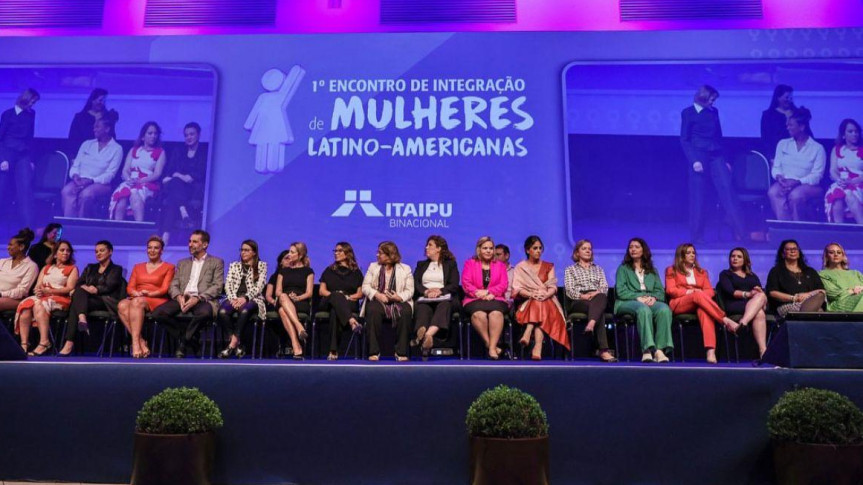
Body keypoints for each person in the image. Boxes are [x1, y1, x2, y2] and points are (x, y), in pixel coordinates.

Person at [680, 84, 745, 242]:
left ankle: (742, 232)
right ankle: (697, 236)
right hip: (698, 156)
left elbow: (719, 137)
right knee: (698, 196)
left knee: (727, 190)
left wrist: (726, 159)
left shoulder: (714, 112)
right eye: (712, 99)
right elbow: (685, 139)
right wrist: (694, 160)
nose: (713, 102)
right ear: (703, 97)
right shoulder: (688, 113)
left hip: (716, 155)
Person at [151, 230, 224, 358]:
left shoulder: (216, 262)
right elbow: (174, 284)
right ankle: (188, 338)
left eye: (195, 242)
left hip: (203, 299)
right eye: (190, 241)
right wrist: (178, 296)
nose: (190, 244)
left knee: (204, 313)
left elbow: (217, 286)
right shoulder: (182, 263)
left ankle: (183, 343)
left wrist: (198, 298)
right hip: (183, 297)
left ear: (205, 245)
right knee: (158, 313)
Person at [665, 243, 740, 364]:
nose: (692, 255)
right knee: (698, 295)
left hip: (700, 303)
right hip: (679, 303)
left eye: (693, 253)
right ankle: (725, 320)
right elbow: (671, 290)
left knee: (704, 310)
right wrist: (691, 291)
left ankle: (710, 351)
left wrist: (699, 294)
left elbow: (710, 291)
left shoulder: (702, 272)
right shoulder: (672, 270)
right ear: (681, 255)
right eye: (688, 253)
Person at [58, 240, 124, 356]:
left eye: (102, 251)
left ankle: (69, 343)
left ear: (110, 252)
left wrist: (95, 289)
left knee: (76, 302)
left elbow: (109, 286)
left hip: (105, 301)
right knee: (78, 294)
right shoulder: (90, 268)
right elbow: (79, 284)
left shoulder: (116, 269)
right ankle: (81, 318)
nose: (98, 253)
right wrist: (88, 289)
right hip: (88, 301)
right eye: (96, 251)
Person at [614, 238, 673, 363]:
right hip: (627, 301)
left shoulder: (652, 270)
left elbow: (660, 291)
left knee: (664, 309)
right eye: (631, 247)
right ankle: (647, 350)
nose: (633, 249)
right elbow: (621, 291)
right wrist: (637, 297)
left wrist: (654, 298)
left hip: (648, 300)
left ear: (643, 250)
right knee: (643, 309)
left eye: (636, 247)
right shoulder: (623, 269)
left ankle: (659, 350)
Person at [512, 236, 570, 361]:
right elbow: (517, 288)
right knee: (538, 302)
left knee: (541, 301)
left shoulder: (549, 266)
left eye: (540, 248)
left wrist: (545, 294)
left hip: (548, 300)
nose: (538, 251)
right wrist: (532, 294)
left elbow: (553, 287)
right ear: (528, 250)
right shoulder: (520, 267)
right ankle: (537, 347)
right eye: (535, 248)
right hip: (526, 303)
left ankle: (528, 331)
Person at [15, 241, 78, 356]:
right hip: (44, 296)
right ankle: (24, 344)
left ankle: (44, 342)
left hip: (61, 299)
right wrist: (38, 291)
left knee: (40, 304)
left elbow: (69, 288)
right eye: (62, 250)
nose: (65, 253)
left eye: (68, 251)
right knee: (26, 304)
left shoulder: (72, 269)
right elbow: (38, 286)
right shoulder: (46, 268)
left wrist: (50, 291)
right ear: (55, 254)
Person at [117, 236, 175, 358]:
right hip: (139, 298)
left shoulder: (169, 267)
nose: (152, 250)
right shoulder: (138, 267)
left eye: (156, 248)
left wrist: (148, 294)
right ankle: (141, 340)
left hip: (157, 299)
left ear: (161, 251)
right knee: (122, 304)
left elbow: (165, 289)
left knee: (136, 302)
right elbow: (130, 287)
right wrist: (135, 293)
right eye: (149, 248)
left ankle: (135, 344)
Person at [768, 107, 826, 221]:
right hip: (785, 182)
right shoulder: (783, 144)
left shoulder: (817, 148)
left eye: (791, 125)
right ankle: (785, 228)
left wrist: (797, 182)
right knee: (773, 192)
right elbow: (777, 167)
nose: (787, 127)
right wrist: (779, 177)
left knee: (796, 195)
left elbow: (817, 176)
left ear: (802, 127)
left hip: (807, 185)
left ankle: (798, 229)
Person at [563, 239, 616, 362]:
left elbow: (604, 287)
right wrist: (583, 296)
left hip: (597, 297)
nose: (588, 251)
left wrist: (596, 293)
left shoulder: (598, 269)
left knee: (601, 298)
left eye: (589, 249)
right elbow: (570, 290)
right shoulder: (570, 269)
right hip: (579, 299)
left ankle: (591, 323)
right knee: (599, 311)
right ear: (577, 252)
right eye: (584, 248)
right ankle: (603, 351)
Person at [361, 241, 413, 361]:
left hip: (398, 300)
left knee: (406, 311)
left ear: (390, 256)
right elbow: (365, 287)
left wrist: (398, 297)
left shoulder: (405, 269)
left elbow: (410, 290)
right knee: (373, 309)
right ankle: (374, 352)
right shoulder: (373, 267)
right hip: (379, 299)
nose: (377, 255)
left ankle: (401, 352)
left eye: (380, 253)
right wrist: (378, 295)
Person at [61, 117, 123, 218]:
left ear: (107, 129)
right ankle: (70, 225)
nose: (94, 129)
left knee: (86, 195)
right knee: (67, 191)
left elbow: (110, 174)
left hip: (100, 183)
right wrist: (75, 176)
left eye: (97, 127)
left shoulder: (116, 149)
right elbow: (76, 165)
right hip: (80, 180)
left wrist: (91, 181)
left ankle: (82, 227)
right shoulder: (87, 144)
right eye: (94, 127)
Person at [412, 235, 460, 359]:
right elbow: (415, 283)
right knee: (422, 307)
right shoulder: (421, 264)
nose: (426, 248)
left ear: (439, 248)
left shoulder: (451, 264)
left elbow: (454, 284)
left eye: (430, 245)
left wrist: (440, 291)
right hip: (425, 297)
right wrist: (426, 292)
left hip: (444, 297)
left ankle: (427, 335)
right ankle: (425, 335)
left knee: (444, 305)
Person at [218, 240, 267, 359]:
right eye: (242, 250)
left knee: (244, 311)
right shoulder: (234, 265)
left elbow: (259, 287)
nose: (243, 252)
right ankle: (236, 343)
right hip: (234, 297)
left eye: (247, 250)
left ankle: (231, 345)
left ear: (254, 252)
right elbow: (228, 284)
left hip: (253, 299)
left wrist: (245, 298)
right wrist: (233, 299)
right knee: (222, 312)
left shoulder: (262, 266)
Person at [160, 122, 208, 244]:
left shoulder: (204, 151)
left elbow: (197, 175)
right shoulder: (179, 151)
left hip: (194, 188)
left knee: (172, 197)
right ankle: (183, 211)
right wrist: (179, 176)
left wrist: (178, 176)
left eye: (192, 134)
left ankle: (166, 234)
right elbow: (171, 171)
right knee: (175, 183)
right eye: (186, 135)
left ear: (199, 135)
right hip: (179, 187)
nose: (189, 137)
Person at [463, 236, 509, 360]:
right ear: (479, 250)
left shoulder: (500, 265)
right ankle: (490, 345)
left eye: (490, 248)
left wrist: (489, 292)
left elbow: (504, 284)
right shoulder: (470, 263)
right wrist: (478, 293)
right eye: (485, 248)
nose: (488, 251)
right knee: (478, 315)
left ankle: (492, 347)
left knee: (496, 314)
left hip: (496, 298)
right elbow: (466, 283)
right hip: (474, 299)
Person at [110, 121, 166, 221]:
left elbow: (157, 174)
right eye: (150, 133)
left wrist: (140, 181)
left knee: (135, 193)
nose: (153, 136)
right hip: (131, 181)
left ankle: (138, 229)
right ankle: (117, 230)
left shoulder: (160, 152)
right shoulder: (133, 150)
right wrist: (129, 179)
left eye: (155, 133)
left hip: (148, 183)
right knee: (122, 197)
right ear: (143, 136)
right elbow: (125, 170)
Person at [717, 247, 769, 357]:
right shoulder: (726, 274)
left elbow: (759, 291)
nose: (735, 258)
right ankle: (763, 351)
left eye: (739, 257)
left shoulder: (752, 276)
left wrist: (757, 292)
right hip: (733, 305)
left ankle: (743, 325)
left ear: (745, 260)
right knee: (759, 311)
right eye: (733, 256)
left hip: (752, 306)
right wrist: (748, 294)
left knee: (760, 304)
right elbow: (730, 291)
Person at [0, 89, 39, 227]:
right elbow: (1, 138)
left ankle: (28, 227)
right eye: (32, 101)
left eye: (34, 102)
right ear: (26, 98)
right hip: (7, 154)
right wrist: (2, 159)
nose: (33, 104)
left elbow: (30, 139)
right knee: (2, 188)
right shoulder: (7, 114)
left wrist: (31, 160)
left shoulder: (31, 115)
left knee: (25, 189)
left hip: (23, 155)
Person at [319, 242, 363, 361]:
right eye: (335, 251)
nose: (336, 253)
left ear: (347, 253)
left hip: (349, 302)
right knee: (337, 298)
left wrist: (347, 298)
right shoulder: (329, 270)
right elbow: (322, 291)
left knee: (335, 312)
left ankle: (333, 350)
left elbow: (360, 293)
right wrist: (336, 295)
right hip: (329, 301)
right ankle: (352, 321)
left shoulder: (356, 273)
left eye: (339, 251)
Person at [766, 239, 825, 318]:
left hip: (809, 303)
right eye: (788, 249)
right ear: (783, 254)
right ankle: (803, 322)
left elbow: (821, 290)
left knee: (820, 300)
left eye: (795, 249)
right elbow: (772, 292)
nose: (792, 251)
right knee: (818, 312)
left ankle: (802, 323)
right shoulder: (776, 271)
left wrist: (807, 295)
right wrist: (794, 298)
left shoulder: (810, 271)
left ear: (799, 253)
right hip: (787, 305)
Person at [275, 242, 314, 359]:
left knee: (282, 311)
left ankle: (296, 345)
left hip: (300, 302)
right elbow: (278, 291)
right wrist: (286, 296)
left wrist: (297, 298)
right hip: (284, 299)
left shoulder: (308, 271)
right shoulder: (283, 271)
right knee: (282, 297)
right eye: (289, 251)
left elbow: (309, 293)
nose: (289, 254)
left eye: (292, 252)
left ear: (300, 255)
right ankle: (299, 327)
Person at [825, 119, 863, 223]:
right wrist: (840, 181)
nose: (854, 134)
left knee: (849, 194)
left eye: (856, 131)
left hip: (859, 184)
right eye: (850, 131)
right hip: (841, 183)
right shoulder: (836, 149)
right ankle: (838, 232)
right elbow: (833, 170)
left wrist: (851, 182)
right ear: (843, 134)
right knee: (838, 195)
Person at [67, 88, 119, 153]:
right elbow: (73, 138)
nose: (102, 103)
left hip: (104, 152)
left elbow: (112, 136)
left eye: (104, 101)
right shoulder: (80, 117)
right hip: (83, 152)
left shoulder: (107, 117)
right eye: (100, 100)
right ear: (93, 100)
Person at [0, 228, 38, 313]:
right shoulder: (2, 262)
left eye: (11, 245)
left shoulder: (31, 266)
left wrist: (2, 294)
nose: (8, 247)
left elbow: (22, 291)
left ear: (21, 247)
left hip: (15, 299)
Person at [819, 242, 863, 312]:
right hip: (839, 304)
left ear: (843, 256)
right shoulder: (822, 274)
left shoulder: (855, 273)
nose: (836, 254)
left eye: (839, 252)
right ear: (826, 256)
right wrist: (852, 291)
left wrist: (861, 288)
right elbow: (831, 293)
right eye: (831, 252)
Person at [761, 85, 796, 160]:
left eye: (791, 98)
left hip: (796, 155)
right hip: (776, 156)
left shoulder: (797, 114)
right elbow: (766, 138)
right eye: (786, 98)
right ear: (778, 98)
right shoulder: (768, 115)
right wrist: (771, 157)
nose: (789, 100)